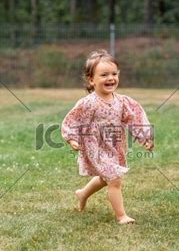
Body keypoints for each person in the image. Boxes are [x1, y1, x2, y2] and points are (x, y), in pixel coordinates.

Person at [61, 49, 154, 225]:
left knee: (106, 178)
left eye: (114, 74)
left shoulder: (122, 102)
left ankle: (82, 194)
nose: (110, 78)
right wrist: (72, 139)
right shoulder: (89, 102)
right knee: (114, 179)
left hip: (114, 145)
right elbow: (72, 119)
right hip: (95, 146)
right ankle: (121, 216)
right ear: (91, 80)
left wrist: (144, 138)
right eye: (104, 75)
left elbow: (135, 118)